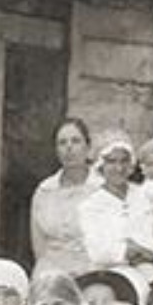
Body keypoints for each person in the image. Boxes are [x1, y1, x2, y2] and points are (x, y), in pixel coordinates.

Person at [78, 131, 153, 294]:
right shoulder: (91, 206)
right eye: (112, 162)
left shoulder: (144, 196)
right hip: (110, 276)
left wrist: (147, 251)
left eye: (124, 161)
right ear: (101, 165)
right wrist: (128, 250)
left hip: (151, 270)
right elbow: (98, 251)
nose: (119, 168)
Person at [29, 116, 97, 279]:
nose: (69, 148)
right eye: (62, 143)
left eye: (75, 141)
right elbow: (39, 246)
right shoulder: (45, 190)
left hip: (92, 271)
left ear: (87, 147)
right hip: (51, 271)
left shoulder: (102, 189)